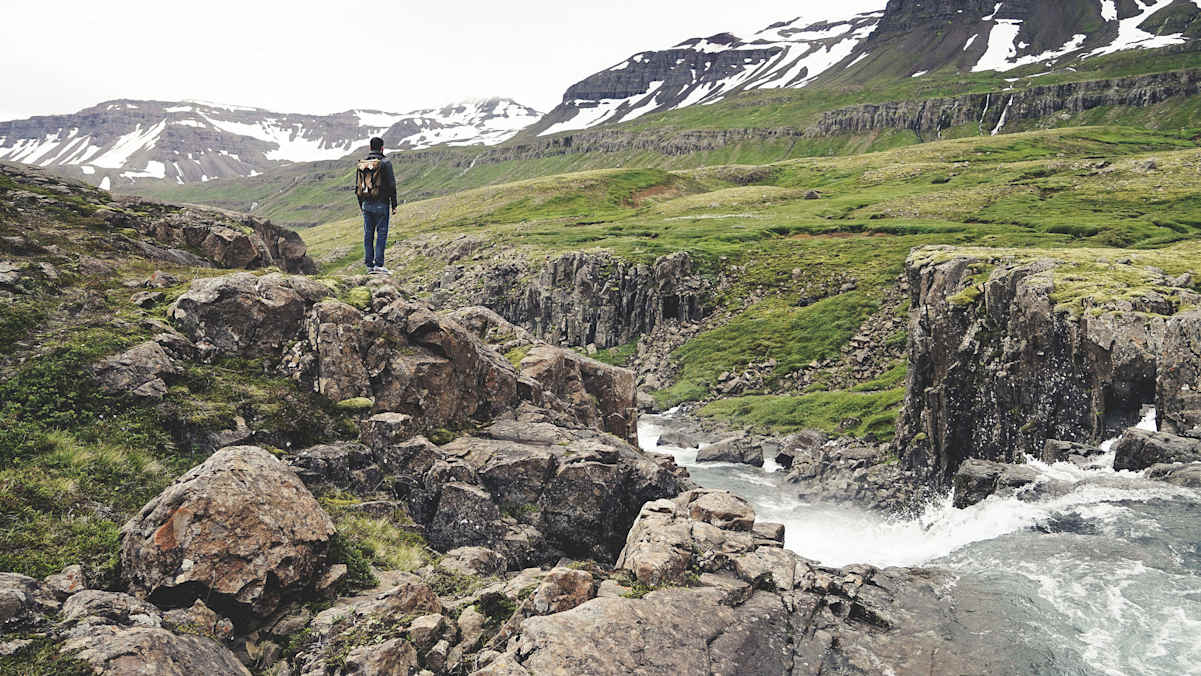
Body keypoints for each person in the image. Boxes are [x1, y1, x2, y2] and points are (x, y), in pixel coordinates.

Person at [355, 137, 398, 274]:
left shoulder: (363, 164)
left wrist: (361, 204)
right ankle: (378, 265)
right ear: (382, 148)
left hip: (366, 204)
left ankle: (369, 265)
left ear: (370, 147)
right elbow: (392, 185)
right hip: (381, 204)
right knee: (381, 234)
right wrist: (394, 205)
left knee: (368, 234)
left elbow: (358, 186)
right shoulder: (385, 163)